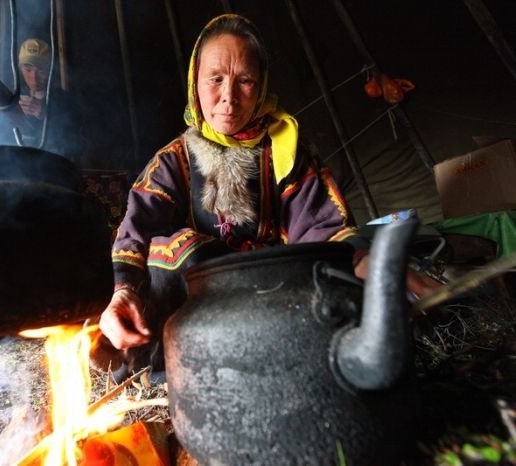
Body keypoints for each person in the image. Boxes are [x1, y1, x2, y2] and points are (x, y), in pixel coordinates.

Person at [96, 14, 438, 378]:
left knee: (338, 280)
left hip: (272, 300)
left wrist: (374, 263)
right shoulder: (173, 162)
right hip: (194, 315)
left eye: (245, 80)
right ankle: (182, 370)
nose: (229, 97)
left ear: (260, 88)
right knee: (176, 248)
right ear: (195, 84)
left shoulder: (286, 153)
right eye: (215, 79)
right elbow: (136, 231)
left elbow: (324, 228)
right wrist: (124, 292)